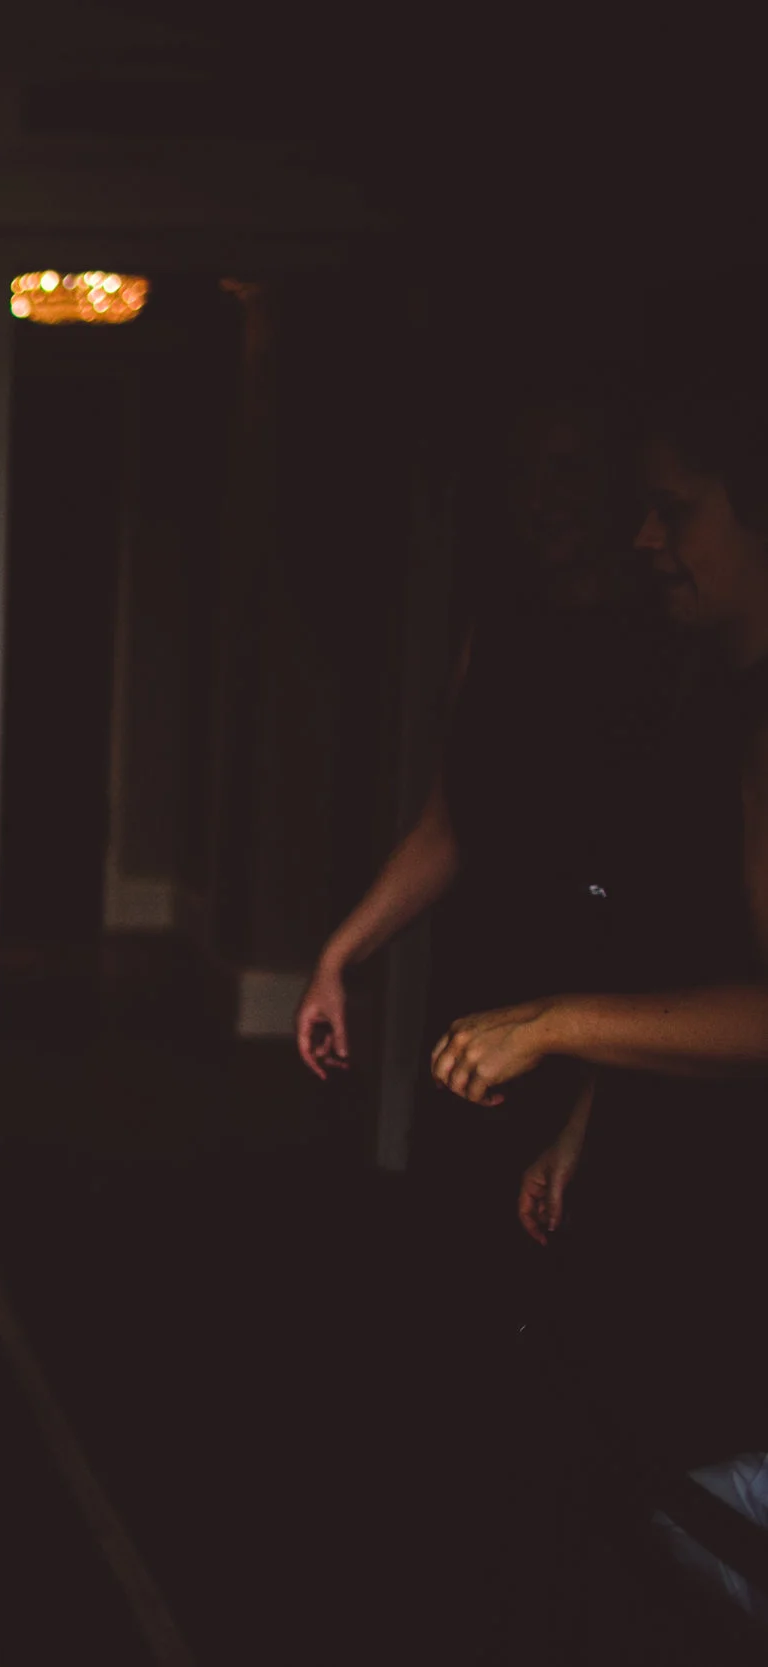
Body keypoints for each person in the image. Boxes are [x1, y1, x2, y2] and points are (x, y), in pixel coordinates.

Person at [433, 377, 768, 1473]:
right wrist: (590, 1113)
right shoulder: (706, 686)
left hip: (730, 1187)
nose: (645, 535)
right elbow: (682, 940)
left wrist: (555, 1022)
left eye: (675, 510)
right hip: (644, 1122)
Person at [292, 396, 673, 1331]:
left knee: (581, 1285)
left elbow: (676, 889)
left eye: (570, 470)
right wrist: (342, 955)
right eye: (529, 473)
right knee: (460, 1264)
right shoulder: (497, 626)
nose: (544, 496)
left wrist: (592, 1074)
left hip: (614, 995)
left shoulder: (671, 650)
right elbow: (450, 820)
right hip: (479, 981)